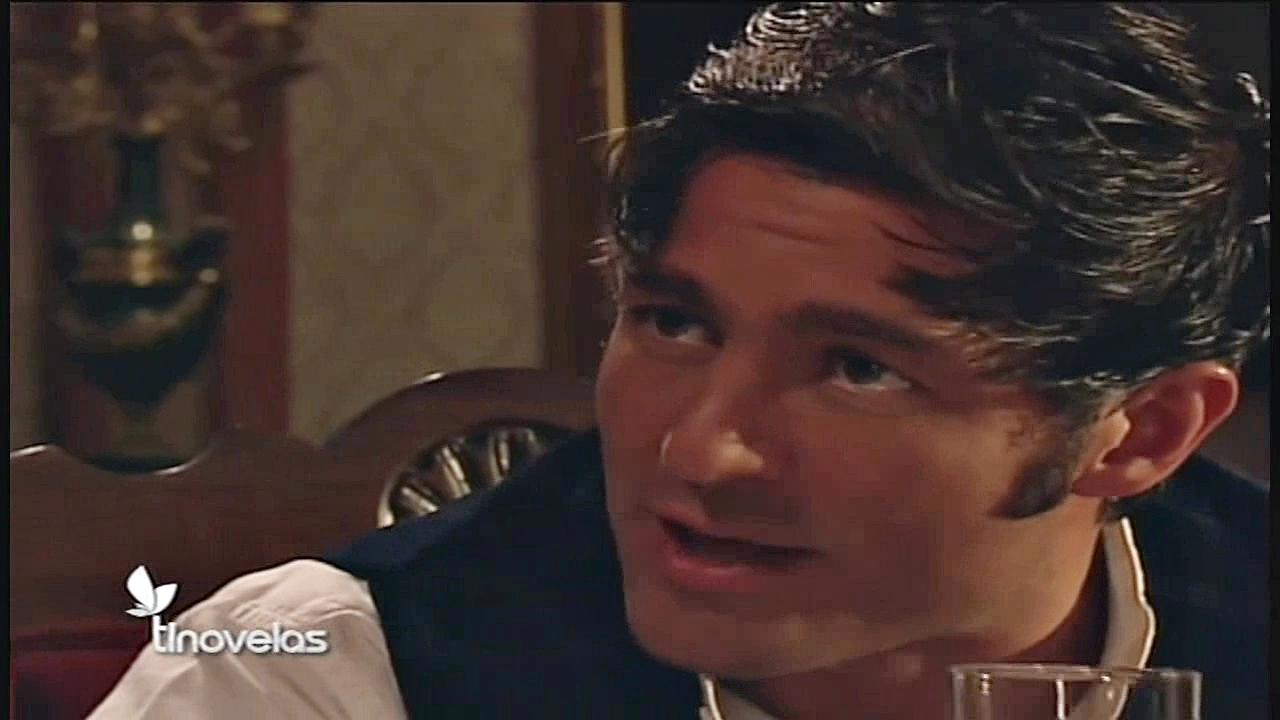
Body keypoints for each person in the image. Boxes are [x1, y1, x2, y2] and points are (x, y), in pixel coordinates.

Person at [90, 3, 1269, 718]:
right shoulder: (318, 675)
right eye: (674, 324)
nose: (700, 451)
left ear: (1141, 431)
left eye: (858, 369)